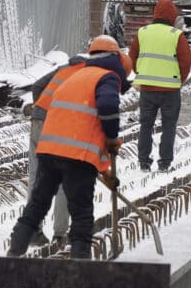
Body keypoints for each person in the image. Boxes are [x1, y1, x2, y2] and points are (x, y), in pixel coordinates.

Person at [7, 35, 131, 259]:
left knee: (38, 204)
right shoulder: (108, 77)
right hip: (77, 157)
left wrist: (106, 172)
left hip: (49, 149)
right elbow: (107, 109)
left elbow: (85, 124)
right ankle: (80, 262)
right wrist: (112, 139)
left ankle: (14, 252)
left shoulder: (77, 76)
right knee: (82, 212)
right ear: (117, 61)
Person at [25, 53, 88, 246]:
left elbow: (37, 86)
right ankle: (60, 234)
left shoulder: (63, 68)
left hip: (38, 120)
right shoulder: (91, 76)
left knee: (37, 177)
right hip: (60, 125)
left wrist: (43, 110)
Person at [129, 0, 191, 172]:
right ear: (173, 15)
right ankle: (164, 163)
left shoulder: (143, 32)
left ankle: (143, 162)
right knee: (169, 127)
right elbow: (186, 61)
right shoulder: (176, 35)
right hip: (170, 90)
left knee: (145, 126)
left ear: (155, 13)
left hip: (147, 89)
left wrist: (141, 73)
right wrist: (179, 80)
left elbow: (132, 56)